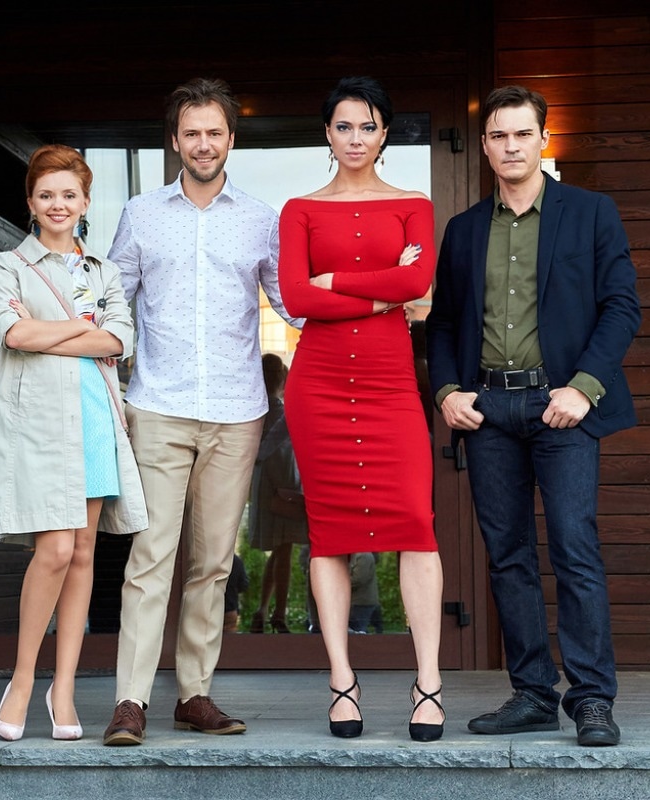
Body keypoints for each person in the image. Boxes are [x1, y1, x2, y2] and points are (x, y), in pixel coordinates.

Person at [426, 85, 641, 747]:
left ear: (543, 140)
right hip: (489, 410)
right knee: (508, 557)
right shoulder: (464, 230)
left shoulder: (591, 212)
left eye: (523, 134)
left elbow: (621, 306)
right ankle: (532, 694)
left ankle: (592, 700)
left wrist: (584, 388)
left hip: (562, 407)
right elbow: (444, 323)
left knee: (575, 549)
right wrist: (448, 391)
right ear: (485, 146)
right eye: (499, 136)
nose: (511, 146)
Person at [102, 77, 298, 746]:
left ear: (231, 139)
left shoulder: (261, 219)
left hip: (237, 412)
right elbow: (114, 304)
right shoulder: (140, 214)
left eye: (214, 132)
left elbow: (291, 305)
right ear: (175, 140)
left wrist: (368, 294)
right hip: (158, 405)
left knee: (213, 562)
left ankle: (194, 694)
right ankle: (130, 701)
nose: (204, 143)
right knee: (150, 556)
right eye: (192, 133)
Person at [278, 76, 445, 742]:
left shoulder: (412, 204)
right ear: (327, 132)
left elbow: (418, 280)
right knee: (330, 533)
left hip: (389, 383)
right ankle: (342, 681)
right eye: (344, 126)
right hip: (318, 385)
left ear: (384, 134)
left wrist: (338, 282)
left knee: (416, 523)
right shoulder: (299, 209)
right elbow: (296, 298)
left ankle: (427, 683)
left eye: (368, 127)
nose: (356, 138)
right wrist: (382, 293)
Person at [0, 144, 148, 742]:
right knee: (52, 550)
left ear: (85, 203)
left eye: (69, 195)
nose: (58, 204)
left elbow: (119, 341)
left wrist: (51, 333)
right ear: (30, 203)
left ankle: (66, 688)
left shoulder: (103, 272)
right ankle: (23, 680)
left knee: (82, 553)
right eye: (46, 194)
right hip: (40, 424)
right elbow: (10, 332)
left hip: (96, 418)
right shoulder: (11, 264)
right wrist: (81, 329)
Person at [248, 353, 307, 634]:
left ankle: (264, 609)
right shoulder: (282, 412)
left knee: (280, 550)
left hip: (264, 484)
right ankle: (278, 613)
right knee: (284, 550)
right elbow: (279, 450)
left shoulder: (254, 410)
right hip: (282, 485)